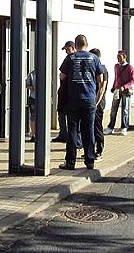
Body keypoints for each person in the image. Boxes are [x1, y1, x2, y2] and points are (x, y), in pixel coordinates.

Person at [58, 35, 105, 170]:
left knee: (72, 130)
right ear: (87, 44)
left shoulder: (70, 58)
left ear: (76, 45)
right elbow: (100, 79)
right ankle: (90, 160)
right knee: (88, 129)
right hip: (89, 99)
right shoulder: (94, 58)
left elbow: (62, 76)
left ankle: (70, 162)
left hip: (73, 99)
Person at [53, 41, 81, 149]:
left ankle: (71, 138)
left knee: (69, 116)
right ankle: (64, 135)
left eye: (67, 49)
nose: (66, 51)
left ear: (73, 47)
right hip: (69, 92)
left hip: (67, 92)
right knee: (62, 113)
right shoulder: (77, 58)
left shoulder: (70, 59)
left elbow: (62, 76)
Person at [105, 50, 134, 136]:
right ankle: (111, 127)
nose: (118, 59)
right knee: (113, 109)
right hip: (117, 90)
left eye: (120, 57)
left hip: (125, 91)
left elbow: (132, 80)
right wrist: (114, 86)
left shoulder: (130, 67)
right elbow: (116, 77)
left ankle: (124, 127)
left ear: (124, 57)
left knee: (125, 109)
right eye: (117, 57)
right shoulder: (116, 66)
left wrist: (124, 86)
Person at [90, 48, 108, 161]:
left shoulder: (102, 69)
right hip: (92, 101)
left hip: (98, 103)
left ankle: (99, 151)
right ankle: (91, 150)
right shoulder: (95, 69)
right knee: (90, 128)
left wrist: (96, 103)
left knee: (97, 127)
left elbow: (102, 88)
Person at [25, 69, 36, 142]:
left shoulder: (45, 73)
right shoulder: (31, 74)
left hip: (42, 97)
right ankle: (33, 135)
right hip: (33, 97)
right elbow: (27, 85)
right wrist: (32, 87)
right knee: (33, 116)